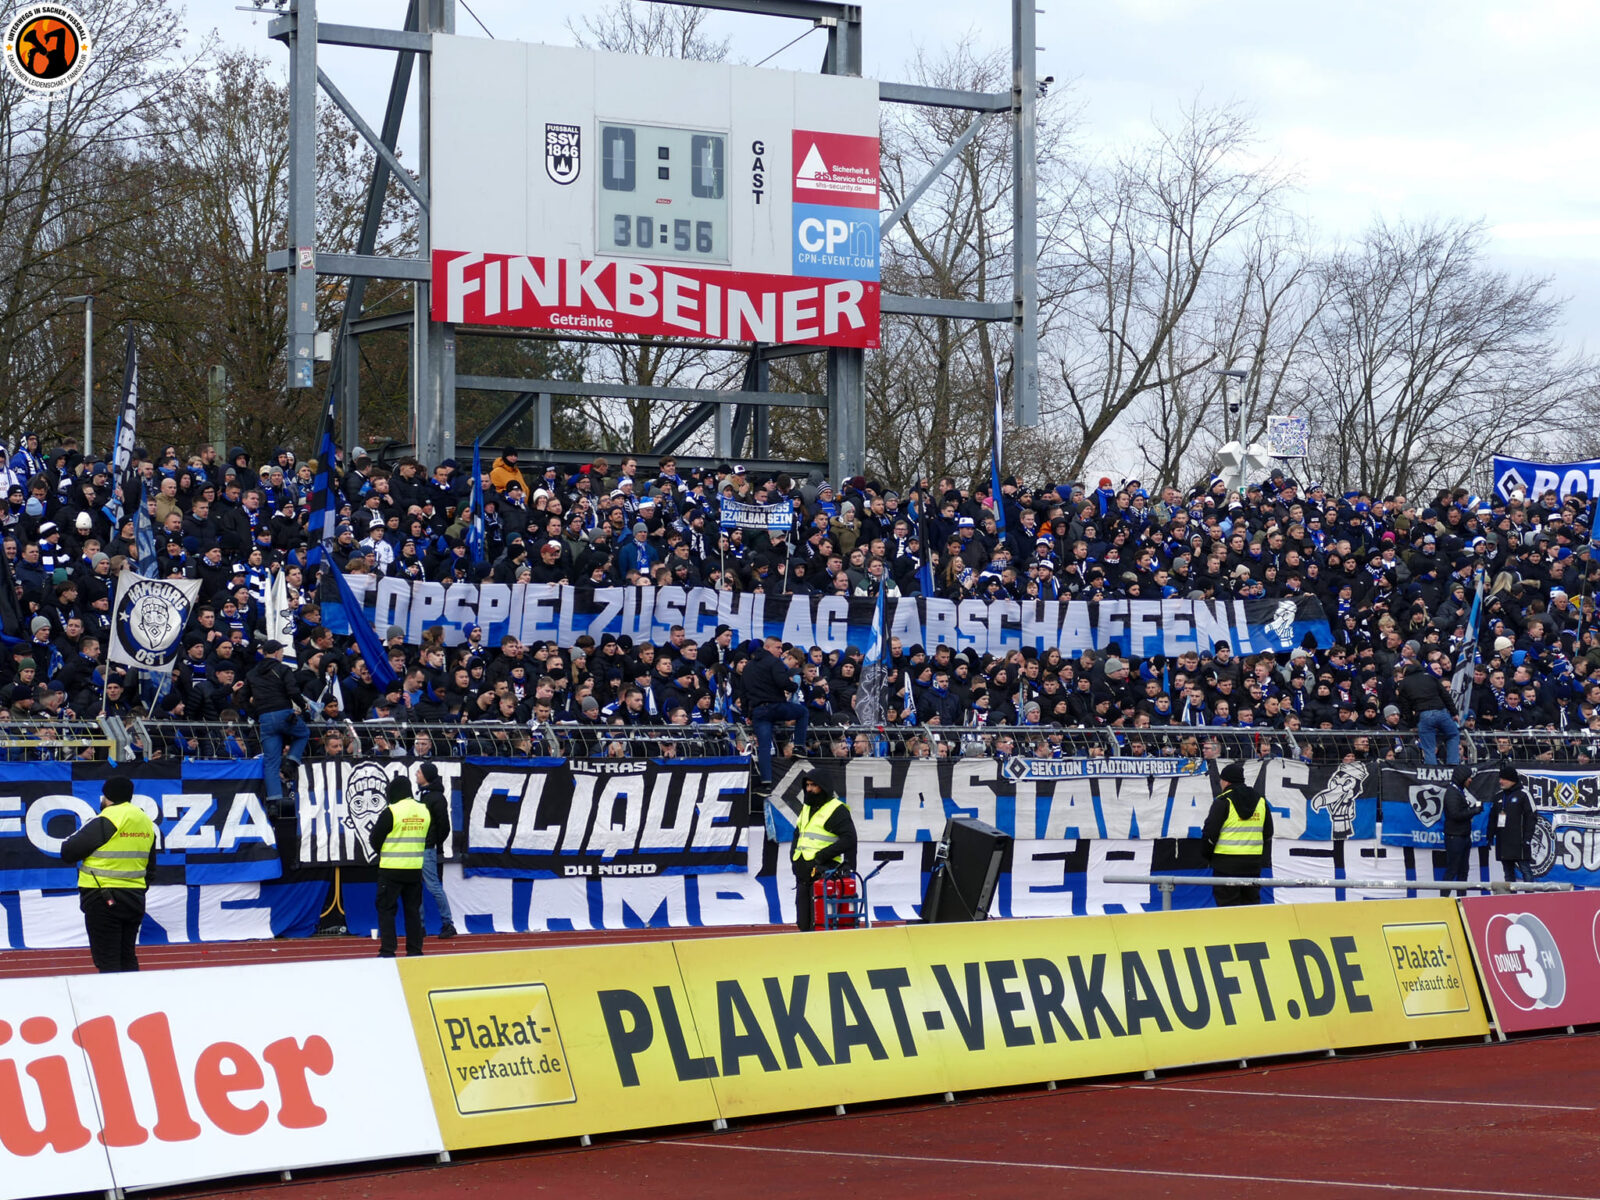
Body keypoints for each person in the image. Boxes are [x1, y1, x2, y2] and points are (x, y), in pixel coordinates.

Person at [59, 777, 156, 972]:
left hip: (102, 895)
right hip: (134, 896)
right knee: (127, 957)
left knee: (107, 960)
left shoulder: (108, 818)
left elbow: (69, 852)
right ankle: (134, 992)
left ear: (107, 796)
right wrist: (137, 888)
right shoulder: (145, 821)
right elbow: (151, 867)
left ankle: (114, 994)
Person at [244, 638, 309, 814]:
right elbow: (293, 691)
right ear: (277, 652)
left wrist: (256, 713)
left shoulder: (252, 673)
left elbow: (243, 698)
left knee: (270, 762)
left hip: (265, 719)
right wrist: (303, 706)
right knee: (303, 733)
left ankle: (274, 802)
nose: (282, 654)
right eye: (281, 651)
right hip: (284, 714)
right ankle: (291, 761)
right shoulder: (283, 669)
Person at [371, 773, 431, 957]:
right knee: (413, 912)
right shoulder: (423, 810)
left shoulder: (392, 811)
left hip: (391, 869)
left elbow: (375, 838)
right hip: (414, 869)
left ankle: (388, 950)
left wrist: (386, 850)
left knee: (386, 910)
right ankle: (415, 950)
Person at [791, 774, 856, 931]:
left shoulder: (836, 809)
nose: (809, 789)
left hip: (824, 872)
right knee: (803, 923)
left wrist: (821, 857)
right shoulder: (806, 808)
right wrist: (793, 857)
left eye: (813, 785)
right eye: (807, 785)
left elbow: (849, 839)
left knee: (820, 923)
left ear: (824, 787)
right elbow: (798, 834)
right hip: (803, 873)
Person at [1201, 761, 1272, 906]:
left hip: (1225, 865)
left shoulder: (1223, 801)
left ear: (1226, 781)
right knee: (1251, 908)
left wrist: (1208, 856)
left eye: (1221, 780)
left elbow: (1210, 833)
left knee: (1228, 909)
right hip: (1252, 865)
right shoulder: (1261, 801)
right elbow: (1268, 833)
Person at [745, 636, 809, 789]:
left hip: (758, 711)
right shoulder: (774, 662)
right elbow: (782, 682)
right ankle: (799, 746)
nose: (781, 651)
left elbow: (743, 692)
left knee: (764, 747)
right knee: (802, 712)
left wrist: (748, 714)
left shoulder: (748, 667)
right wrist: (794, 686)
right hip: (775, 707)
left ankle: (766, 783)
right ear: (767, 647)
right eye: (778, 647)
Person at [415, 760, 457, 939]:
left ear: (427, 776)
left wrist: (433, 842)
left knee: (433, 886)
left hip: (426, 848)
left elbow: (444, 826)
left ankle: (448, 923)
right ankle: (420, 926)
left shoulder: (436, 798)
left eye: (419, 772)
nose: (416, 774)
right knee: (416, 886)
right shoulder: (423, 795)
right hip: (418, 847)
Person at [1398, 659, 1460, 765]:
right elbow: (1445, 696)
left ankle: (1432, 771)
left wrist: (1412, 724)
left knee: (1429, 748)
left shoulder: (1404, 683)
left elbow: (1405, 708)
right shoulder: (1430, 677)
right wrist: (1454, 713)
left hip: (1424, 715)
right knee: (1453, 735)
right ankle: (1453, 765)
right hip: (1441, 712)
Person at [1486, 763, 1536, 883]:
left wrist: (1527, 839)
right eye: (1500, 778)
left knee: (1525, 870)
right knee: (1508, 873)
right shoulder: (1498, 796)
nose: (1500, 781)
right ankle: (1510, 895)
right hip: (1503, 842)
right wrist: (1489, 836)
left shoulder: (1524, 794)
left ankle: (1530, 894)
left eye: (1503, 779)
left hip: (1520, 842)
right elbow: (1492, 818)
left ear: (1512, 780)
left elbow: (1531, 818)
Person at [1441, 764, 1483, 896]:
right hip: (1455, 837)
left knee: (1463, 870)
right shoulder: (1452, 793)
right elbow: (1455, 814)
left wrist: (1472, 810)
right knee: (1452, 870)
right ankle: (1443, 899)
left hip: (1463, 836)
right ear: (1461, 777)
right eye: (1468, 777)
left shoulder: (1458, 791)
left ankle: (1461, 899)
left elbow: (1460, 812)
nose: (1470, 780)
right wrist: (1474, 811)